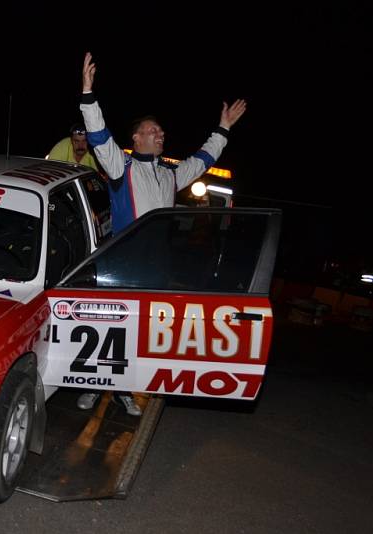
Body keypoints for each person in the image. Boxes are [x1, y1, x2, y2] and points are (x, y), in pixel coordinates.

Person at [75, 52, 247, 415]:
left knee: (135, 336)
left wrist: (224, 128)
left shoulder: (170, 175)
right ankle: (92, 384)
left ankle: (121, 391)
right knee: (107, 329)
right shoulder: (119, 165)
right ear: (136, 138)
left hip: (155, 268)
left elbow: (203, 160)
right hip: (121, 263)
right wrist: (88, 94)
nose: (160, 134)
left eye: (161, 132)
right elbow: (98, 135)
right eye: (153, 131)